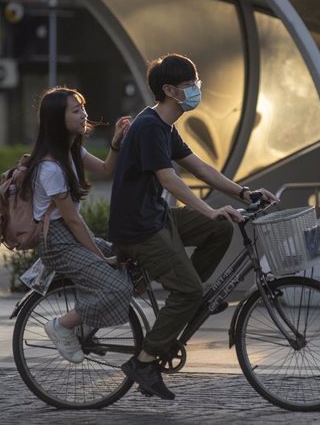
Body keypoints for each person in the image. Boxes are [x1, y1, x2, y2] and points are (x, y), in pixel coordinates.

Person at [109, 53, 278, 400]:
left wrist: (244, 193)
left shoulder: (165, 126)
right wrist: (207, 209)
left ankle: (185, 298)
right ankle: (143, 362)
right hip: (138, 228)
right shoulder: (149, 126)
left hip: (155, 217)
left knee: (219, 231)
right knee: (190, 288)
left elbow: (201, 170)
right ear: (169, 90)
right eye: (191, 85)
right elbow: (170, 180)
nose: (197, 89)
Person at [20, 86, 133, 364]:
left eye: (83, 108)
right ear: (57, 119)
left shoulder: (72, 150)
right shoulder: (50, 167)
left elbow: (107, 170)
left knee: (132, 260)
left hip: (70, 236)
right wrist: (100, 256)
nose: (84, 114)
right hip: (57, 242)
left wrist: (116, 142)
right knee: (116, 287)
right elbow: (72, 219)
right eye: (76, 110)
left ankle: (81, 328)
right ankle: (62, 326)